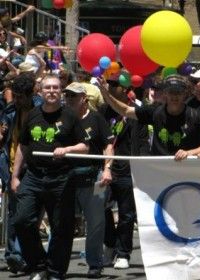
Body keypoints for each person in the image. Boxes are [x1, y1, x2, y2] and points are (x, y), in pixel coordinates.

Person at [11, 74, 89, 280]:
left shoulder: (70, 116)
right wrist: (15, 176)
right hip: (34, 176)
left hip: (61, 177)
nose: (52, 91)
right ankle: (39, 265)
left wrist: (68, 149)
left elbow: (85, 146)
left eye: (56, 88)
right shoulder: (33, 115)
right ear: (41, 91)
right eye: (48, 88)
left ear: (60, 92)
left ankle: (55, 271)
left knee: (61, 227)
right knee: (22, 221)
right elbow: (23, 145)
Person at [63, 82, 114, 278]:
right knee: (60, 223)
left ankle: (95, 263)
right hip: (66, 178)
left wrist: (107, 169)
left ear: (84, 98)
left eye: (73, 96)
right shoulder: (62, 118)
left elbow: (108, 146)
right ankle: (55, 264)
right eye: (67, 96)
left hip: (94, 177)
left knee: (96, 223)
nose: (69, 100)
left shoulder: (96, 118)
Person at [98, 79, 149, 270]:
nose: (110, 88)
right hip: (106, 167)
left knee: (126, 214)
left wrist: (141, 166)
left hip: (128, 168)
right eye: (109, 85)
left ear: (126, 89)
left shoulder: (136, 111)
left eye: (114, 85)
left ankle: (123, 253)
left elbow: (142, 140)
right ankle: (110, 244)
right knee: (101, 208)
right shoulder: (103, 110)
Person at [99, 74, 200, 159]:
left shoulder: (194, 115)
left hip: (185, 170)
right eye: (171, 92)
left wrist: (189, 153)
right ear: (165, 94)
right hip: (159, 170)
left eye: (178, 92)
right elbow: (126, 110)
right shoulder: (155, 111)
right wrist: (106, 94)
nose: (174, 96)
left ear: (185, 94)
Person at [0, 72, 39, 274]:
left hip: (33, 168)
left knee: (28, 215)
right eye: (15, 96)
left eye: (21, 96)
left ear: (31, 94)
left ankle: (29, 256)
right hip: (11, 164)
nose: (18, 100)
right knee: (14, 212)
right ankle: (15, 256)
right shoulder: (10, 110)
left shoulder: (41, 109)